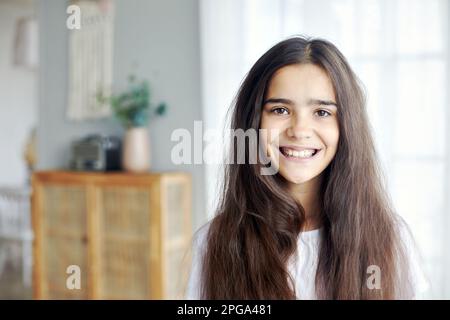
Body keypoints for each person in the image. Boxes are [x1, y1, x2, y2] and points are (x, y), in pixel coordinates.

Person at [186, 36, 429, 299]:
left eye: (322, 112)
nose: (299, 130)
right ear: (253, 123)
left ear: (346, 127)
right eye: (279, 110)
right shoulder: (213, 244)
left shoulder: (390, 239)